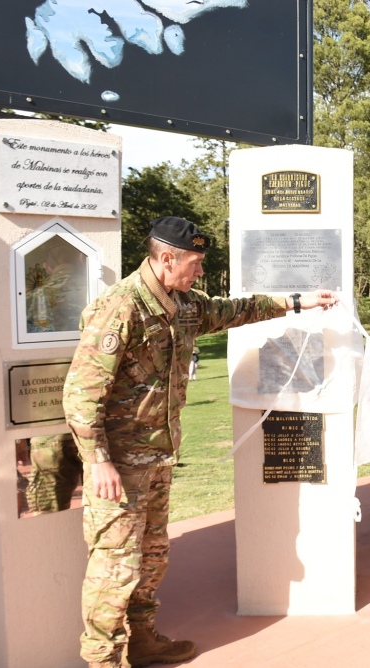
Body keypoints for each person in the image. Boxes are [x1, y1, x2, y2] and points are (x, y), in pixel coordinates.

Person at [63, 216, 337, 668]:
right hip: (119, 466)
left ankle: (142, 640)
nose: (200, 271)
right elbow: (80, 394)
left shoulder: (183, 303)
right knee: (115, 565)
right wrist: (98, 462)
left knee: (151, 556)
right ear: (166, 257)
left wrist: (296, 302)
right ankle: (103, 659)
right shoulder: (122, 307)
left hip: (158, 457)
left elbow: (236, 309)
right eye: (194, 262)